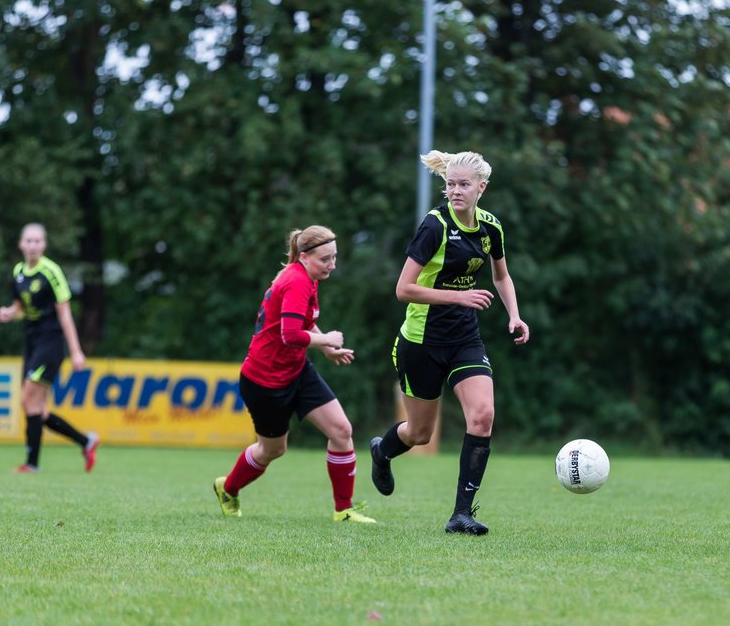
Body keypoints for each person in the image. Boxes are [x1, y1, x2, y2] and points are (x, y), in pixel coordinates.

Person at [367, 150, 530, 535]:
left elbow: (501, 277)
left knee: (483, 415)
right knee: (418, 433)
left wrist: (514, 314)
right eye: (450, 185)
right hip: (421, 340)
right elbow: (403, 289)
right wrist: (459, 297)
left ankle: (461, 514)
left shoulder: (491, 228)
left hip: (463, 338)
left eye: (463, 185)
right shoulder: (434, 226)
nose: (455, 191)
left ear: (481, 188)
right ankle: (382, 450)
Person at [213, 226, 375, 523]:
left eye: (335, 257)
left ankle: (344, 510)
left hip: (297, 371)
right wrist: (328, 340)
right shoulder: (297, 281)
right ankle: (229, 487)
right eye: (325, 259)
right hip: (265, 382)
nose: (332, 265)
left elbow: (301, 324)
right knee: (272, 450)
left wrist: (324, 346)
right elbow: (289, 335)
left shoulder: (308, 277)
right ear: (304, 257)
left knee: (341, 430)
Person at [0, 223, 99, 473]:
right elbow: (21, 307)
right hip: (31, 341)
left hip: (51, 341)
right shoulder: (18, 271)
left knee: (27, 398)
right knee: (35, 409)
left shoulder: (51, 272)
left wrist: (75, 350)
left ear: (44, 245)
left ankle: (32, 464)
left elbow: (64, 313)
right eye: (28, 241)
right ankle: (86, 441)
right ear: (21, 244)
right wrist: (11, 313)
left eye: (37, 241)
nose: (32, 246)